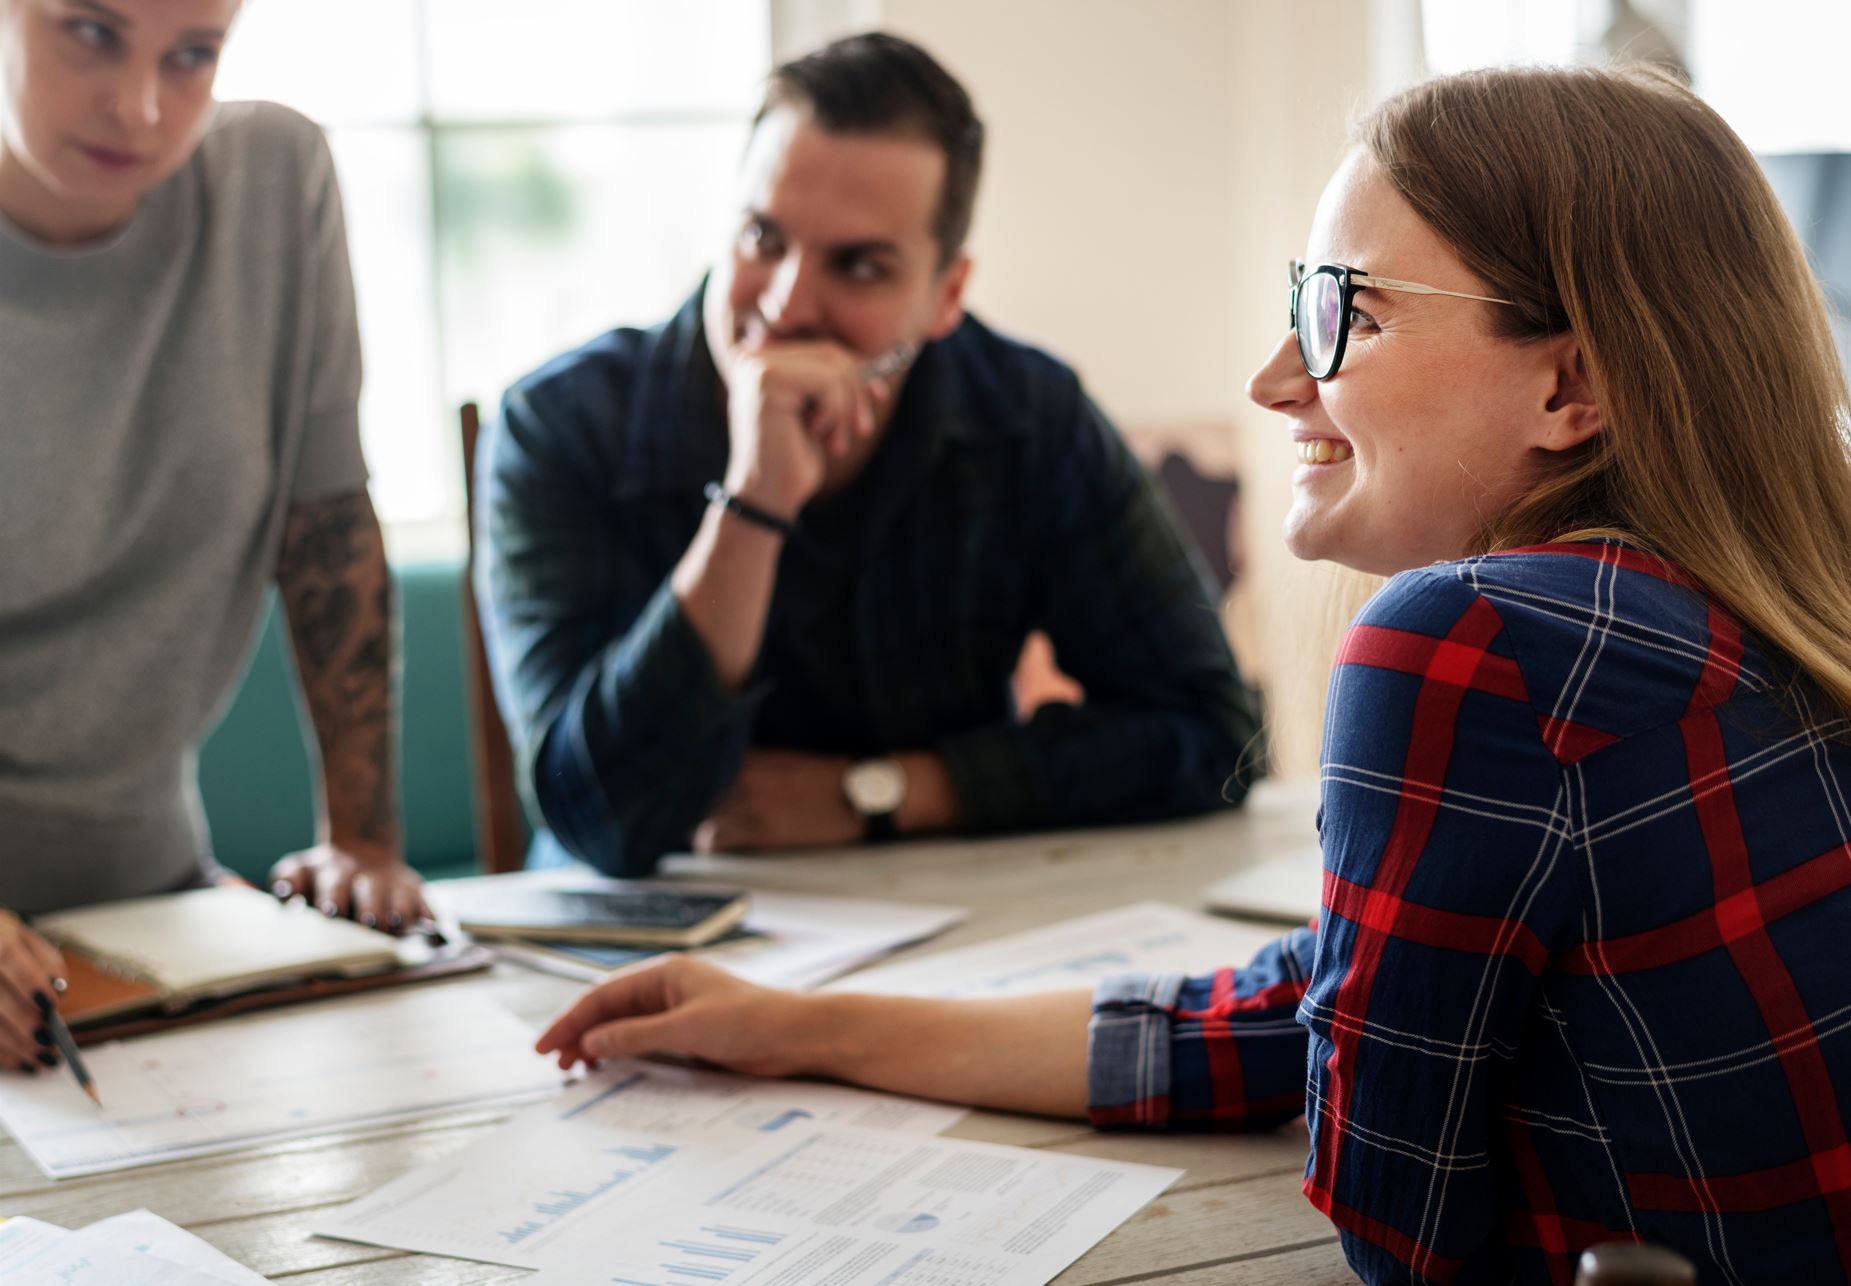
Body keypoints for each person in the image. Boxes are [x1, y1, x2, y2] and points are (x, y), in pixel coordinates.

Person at [533, 63, 1851, 1283]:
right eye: (1297, 302)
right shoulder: (1747, 605)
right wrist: (803, 1027)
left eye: (1345, 311)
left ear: (1568, 385)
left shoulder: (1464, 638)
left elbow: (1394, 1224)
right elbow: (1316, 994)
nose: (1273, 377)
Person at [476, 32, 1261, 878]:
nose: (784, 305)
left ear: (944, 296)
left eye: (857, 266)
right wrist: (752, 502)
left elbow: (1211, 736)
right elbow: (596, 821)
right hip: (635, 950)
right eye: (762, 238)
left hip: (940, 928)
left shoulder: (1026, 417)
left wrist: (882, 792)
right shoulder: (560, 425)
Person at [0, 0, 425, 1077]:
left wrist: (365, 843)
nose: (141, 107)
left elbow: (325, 526)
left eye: (192, 56)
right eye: (90, 32)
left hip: (155, 910)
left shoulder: (275, 182)